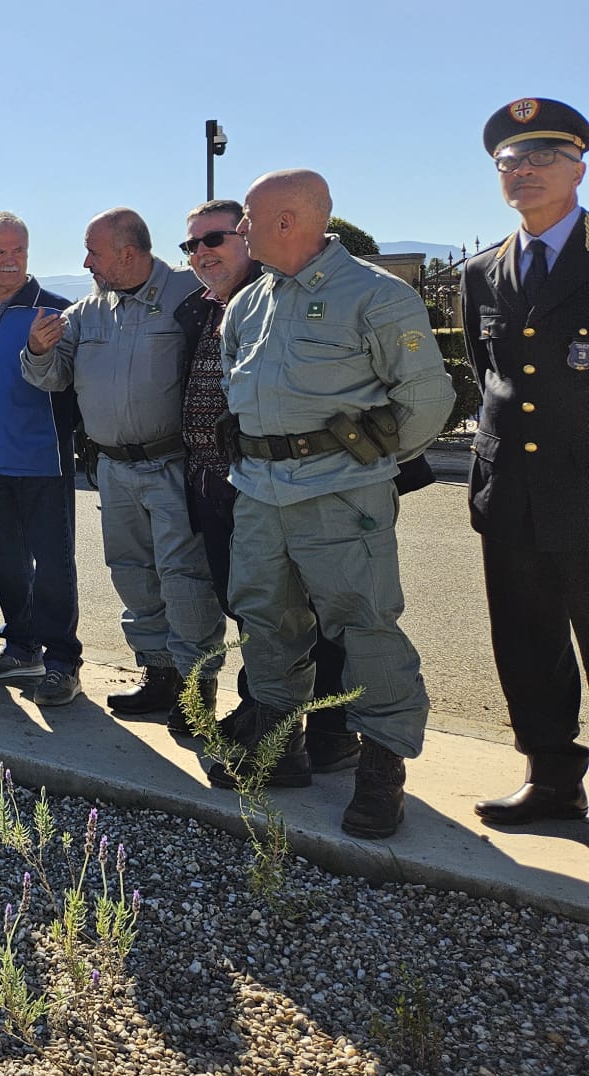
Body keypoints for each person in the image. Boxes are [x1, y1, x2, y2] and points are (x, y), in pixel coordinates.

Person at [207, 169, 454, 840]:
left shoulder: (376, 296)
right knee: (265, 619)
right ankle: (279, 747)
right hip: (258, 492)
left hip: (341, 497)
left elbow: (427, 400)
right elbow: (238, 383)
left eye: (250, 220)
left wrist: (362, 466)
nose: (241, 232)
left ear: (289, 221)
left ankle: (381, 770)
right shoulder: (252, 301)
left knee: (366, 627)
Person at [175, 201, 366, 770]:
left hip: (282, 484)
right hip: (215, 484)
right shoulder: (198, 310)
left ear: (248, 237)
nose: (201, 253)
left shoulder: (286, 298)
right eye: (191, 246)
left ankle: (331, 733)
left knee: (316, 617)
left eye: (214, 238)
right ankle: (268, 714)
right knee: (254, 612)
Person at [22, 208, 220, 715]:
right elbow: (53, 377)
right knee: (132, 573)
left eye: (94, 251)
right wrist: (38, 352)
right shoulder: (87, 313)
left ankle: (197, 688)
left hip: (172, 464)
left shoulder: (191, 293)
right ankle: (160, 673)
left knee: (184, 577)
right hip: (112, 468)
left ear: (127, 253)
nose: (86, 261)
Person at [461, 97, 589, 825]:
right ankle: (552, 779)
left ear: (578, 164)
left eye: (542, 156)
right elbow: (494, 376)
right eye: (510, 161)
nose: (524, 171)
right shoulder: (484, 271)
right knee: (528, 641)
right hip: (512, 491)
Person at [0, 213, 83, 702]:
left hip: (43, 461)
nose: (10, 259)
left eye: (19, 250)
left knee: (52, 564)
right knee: (4, 561)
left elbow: (69, 383)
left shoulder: (55, 312)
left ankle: (63, 661)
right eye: (0, 250)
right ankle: (22, 648)